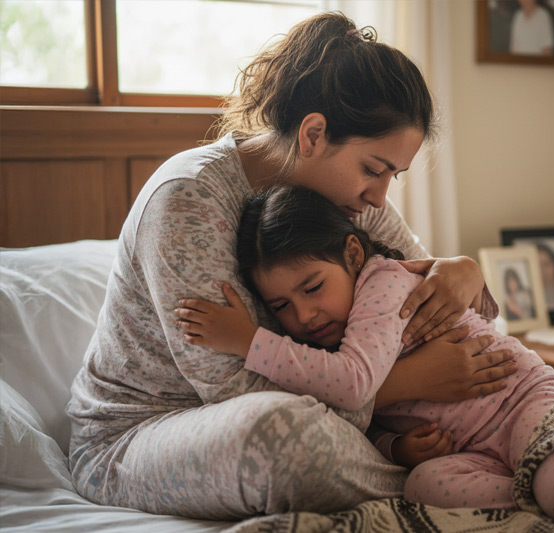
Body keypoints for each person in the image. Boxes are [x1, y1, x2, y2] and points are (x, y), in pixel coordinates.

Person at [66, 13, 518, 520]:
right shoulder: (188, 201)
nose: (378, 195)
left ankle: (466, 473)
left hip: (325, 415)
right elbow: (233, 389)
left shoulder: (351, 201)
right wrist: (409, 381)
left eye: (393, 175)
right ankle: (454, 484)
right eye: (373, 169)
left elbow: (421, 311)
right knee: (280, 438)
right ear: (313, 134)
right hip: (150, 432)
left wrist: (461, 272)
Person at [175, 185, 554, 523]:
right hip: (476, 446)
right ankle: (542, 488)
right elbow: (370, 420)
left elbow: (355, 385)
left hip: (525, 399)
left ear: (354, 257)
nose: (303, 316)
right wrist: (396, 448)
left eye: (312, 288)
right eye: (279, 307)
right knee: (425, 485)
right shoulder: (322, 338)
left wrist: (249, 340)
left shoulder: (384, 283)